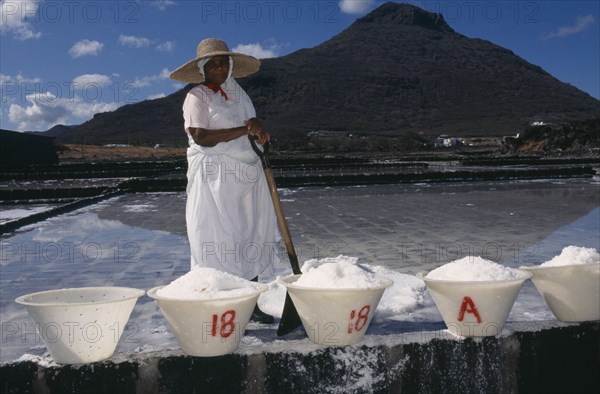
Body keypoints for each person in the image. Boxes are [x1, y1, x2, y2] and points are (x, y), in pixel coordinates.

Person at [170, 38, 279, 323]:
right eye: (213, 64)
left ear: (230, 67)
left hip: (246, 176)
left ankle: (250, 303)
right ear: (203, 69)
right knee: (218, 237)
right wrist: (243, 131)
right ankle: (219, 305)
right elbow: (201, 137)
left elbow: (253, 130)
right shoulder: (197, 96)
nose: (219, 68)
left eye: (223, 63)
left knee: (250, 234)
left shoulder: (241, 96)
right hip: (214, 178)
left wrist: (258, 129)